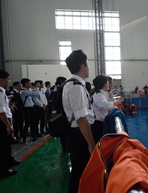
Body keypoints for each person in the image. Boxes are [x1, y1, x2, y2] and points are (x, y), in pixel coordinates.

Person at [63, 50, 95, 193]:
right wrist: (91, 143)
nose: (88, 67)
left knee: (80, 170)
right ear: (82, 67)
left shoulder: (74, 84)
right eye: (87, 64)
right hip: (79, 136)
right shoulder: (76, 87)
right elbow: (82, 119)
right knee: (80, 171)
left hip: (77, 133)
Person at [0, 70, 20, 178]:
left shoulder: (1, 91)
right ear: (1, 80)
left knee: (7, 144)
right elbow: (0, 112)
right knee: (2, 147)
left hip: (4, 121)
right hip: (0, 123)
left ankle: (9, 161)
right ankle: (1, 170)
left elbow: (5, 109)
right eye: (8, 78)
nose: (9, 81)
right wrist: (8, 125)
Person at [92, 75, 123, 144]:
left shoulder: (103, 93)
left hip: (102, 122)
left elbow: (110, 100)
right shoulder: (98, 95)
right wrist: (118, 101)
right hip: (98, 124)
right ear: (104, 84)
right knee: (100, 143)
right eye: (108, 82)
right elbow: (107, 105)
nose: (109, 84)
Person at [20, 78, 40, 143]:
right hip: (27, 109)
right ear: (25, 83)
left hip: (31, 108)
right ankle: (24, 138)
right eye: (29, 83)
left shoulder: (28, 90)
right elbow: (34, 94)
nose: (30, 84)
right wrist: (37, 87)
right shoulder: (23, 91)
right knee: (27, 123)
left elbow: (35, 94)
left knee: (33, 122)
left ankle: (33, 136)